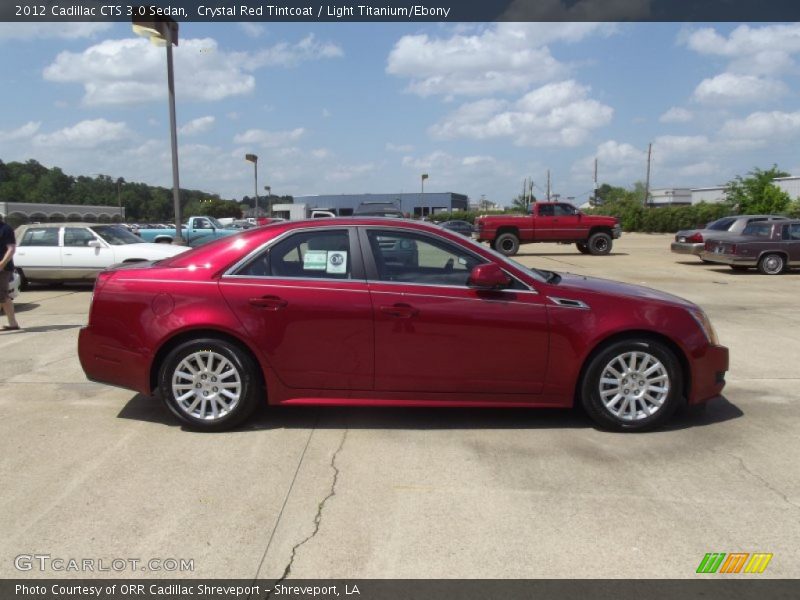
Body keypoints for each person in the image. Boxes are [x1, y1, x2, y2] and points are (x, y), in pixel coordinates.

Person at [0, 214, 21, 331]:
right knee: (4, 296)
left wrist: (2, 264)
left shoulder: (5, 229)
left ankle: (13, 323)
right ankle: (13, 323)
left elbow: (11, 249)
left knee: (1, 295)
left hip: (3, 268)